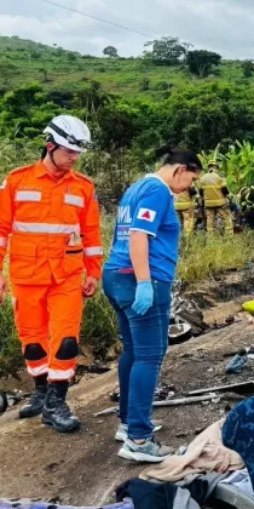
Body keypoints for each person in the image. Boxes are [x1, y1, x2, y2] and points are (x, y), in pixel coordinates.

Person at [0, 114, 103, 433]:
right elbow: (1, 231)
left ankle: (56, 403)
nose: (74, 158)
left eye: (77, 153)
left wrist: (93, 273)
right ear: (50, 146)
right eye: (69, 152)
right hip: (26, 276)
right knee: (32, 342)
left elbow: (92, 235)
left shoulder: (84, 188)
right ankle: (42, 393)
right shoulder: (16, 182)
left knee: (66, 342)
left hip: (67, 278)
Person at [103, 147, 202, 462]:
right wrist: (145, 282)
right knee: (149, 356)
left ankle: (129, 423)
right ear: (179, 169)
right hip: (139, 280)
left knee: (133, 352)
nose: (189, 186)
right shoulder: (158, 191)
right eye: (191, 178)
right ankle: (139, 440)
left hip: (116, 276)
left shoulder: (136, 188)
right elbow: (137, 236)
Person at [198, 160, 233, 234]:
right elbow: (224, 189)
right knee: (227, 217)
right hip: (220, 202)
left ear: (208, 167)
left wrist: (202, 199)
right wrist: (229, 197)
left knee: (210, 219)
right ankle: (229, 236)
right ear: (216, 167)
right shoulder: (219, 177)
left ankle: (210, 237)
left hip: (208, 203)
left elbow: (200, 191)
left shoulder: (203, 178)